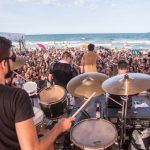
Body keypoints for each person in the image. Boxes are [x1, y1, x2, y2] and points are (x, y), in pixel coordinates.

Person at [0, 36, 75, 150]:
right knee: (47, 139)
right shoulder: (17, 96)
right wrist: (59, 128)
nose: (14, 61)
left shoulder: (54, 65)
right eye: (13, 58)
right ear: (3, 64)